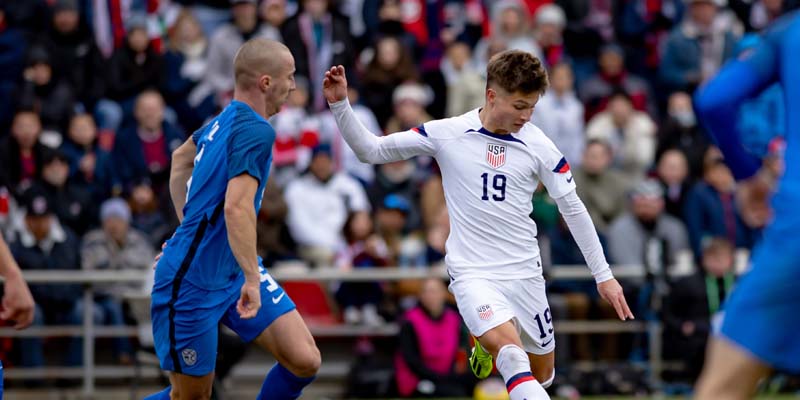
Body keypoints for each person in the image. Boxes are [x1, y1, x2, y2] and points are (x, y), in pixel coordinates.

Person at [323, 50, 633, 400]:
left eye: (532, 106)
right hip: (474, 273)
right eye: (519, 106)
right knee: (513, 357)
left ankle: (482, 344)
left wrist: (603, 275)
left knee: (542, 374)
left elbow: (573, 209)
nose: (527, 115)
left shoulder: (539, 145)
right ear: (491, 95)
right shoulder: (448, 133)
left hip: (524, 274)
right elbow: (372, 151)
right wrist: (340, 106)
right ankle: (489, 340)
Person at [146, 38, 320, 400]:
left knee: (303, 359)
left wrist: (187, 230)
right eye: (289, 77)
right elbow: (236, 207)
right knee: (191, 397)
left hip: (230, 270)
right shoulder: (256, 130)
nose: (293, 86)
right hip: (193, 281)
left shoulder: (225, 118)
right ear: (266, 82)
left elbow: (180, 160)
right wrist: (252, 279)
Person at [692, 11, 800, 400]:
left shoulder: (789, 32)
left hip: (795, 229)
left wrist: (748, 175)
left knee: (721, 388)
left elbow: (714, 100)